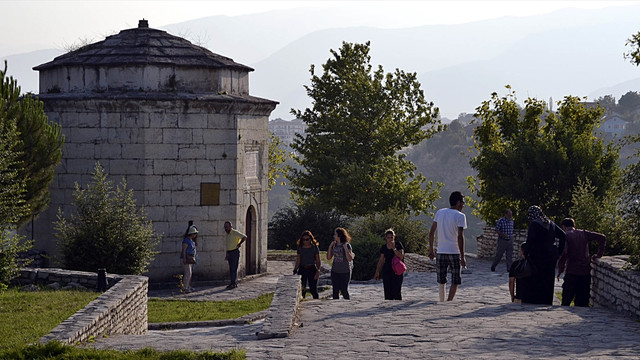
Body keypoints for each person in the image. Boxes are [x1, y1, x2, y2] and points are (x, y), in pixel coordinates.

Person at [557, 218, 606, 307]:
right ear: (574, 225)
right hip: (585, 272)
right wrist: (599, 254)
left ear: (563, 227)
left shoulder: (566, 235)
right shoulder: (584, 233)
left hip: (571, 271)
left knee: (566, 301)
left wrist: (560, 270)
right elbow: (602, 237)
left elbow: (564, 254)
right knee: (582, 303)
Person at [428, 191, 467, 302]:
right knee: (455, 279)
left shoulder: (440, 212)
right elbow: (460, 236)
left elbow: (432, 233)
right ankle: (449, 301)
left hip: (441, 251)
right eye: (463, 203)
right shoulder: (460, 216)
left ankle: (441, 300)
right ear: (458, 203)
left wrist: (431, 250)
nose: (463, 205)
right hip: (454, 251)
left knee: (441, 279)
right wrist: (463, 256)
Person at [523, 205, 565, 305]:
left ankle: (535, 300)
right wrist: (559, 252)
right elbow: (563, 235)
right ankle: (547, 300)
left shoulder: (534, 224)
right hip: (551, 256)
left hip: (537, 255)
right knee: (548, 279)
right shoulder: (550, 223)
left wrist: (526, 253)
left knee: (536, 278)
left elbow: (530, 239)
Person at [374, 228, 405, 300]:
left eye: (391, 237)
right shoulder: (384, 247)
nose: (390, 239)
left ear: (394, 237)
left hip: (397, 270)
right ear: (386, 238)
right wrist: (377, 271)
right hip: (387, 269)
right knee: (388, 290)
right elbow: (381, 260)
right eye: (388, 238)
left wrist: (394, 249)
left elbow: (401, 256)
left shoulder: (398, 245)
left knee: (397, 290)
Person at [327, 227, 355, 299]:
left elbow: (349, 259)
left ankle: (347, 304)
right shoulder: (334, 245)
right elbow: (329, 258)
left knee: (344, 290)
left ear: (339, 235)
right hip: (335, 271)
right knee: (335, 290)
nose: (334, 236)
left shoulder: (347, 245)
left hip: (345, 271)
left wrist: (345, 248)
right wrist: (330, 247)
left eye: (335, 234)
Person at [293, 230, 322, 299]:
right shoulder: (300, 248)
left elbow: (318, 260)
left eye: (307, 239)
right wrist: (295, 269)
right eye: (303, 240)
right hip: (302, 268)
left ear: (310, 239)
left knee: (313, 288)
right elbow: (298, 260)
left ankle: (316, 301)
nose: (305, 241)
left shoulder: (314, 248)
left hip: (311, 268)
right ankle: (302, 300)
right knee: (302, 287)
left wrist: (318, 271)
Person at [223, 221, 247, 290]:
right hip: (230, 252)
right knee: (231, 268)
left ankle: (233, 283)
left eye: (227, 227)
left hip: (235, 252)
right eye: (225, 227)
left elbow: (244, 237)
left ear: (231, 227)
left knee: (234, 268)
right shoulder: (227, 235)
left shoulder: (234, 232)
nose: (226, 229)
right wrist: (227, 254)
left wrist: (239, 244)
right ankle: (233, 282)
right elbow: (228, 245)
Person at [181, 225, 198, 293]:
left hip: (191, 257)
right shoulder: (186, 241)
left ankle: (188, 286)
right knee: (187, 273)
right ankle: (185, 287)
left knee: (190, 273)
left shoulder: (191, 241)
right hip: (187, 257)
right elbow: (184, 250)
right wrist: (184, 258)